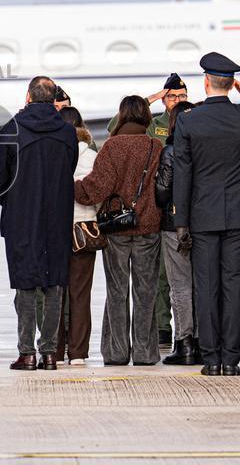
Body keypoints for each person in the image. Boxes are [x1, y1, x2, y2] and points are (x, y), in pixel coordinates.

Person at [172, 52, 240, 376]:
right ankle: (231, 359)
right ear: (232, 84)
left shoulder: (189, 120)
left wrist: (181, 223)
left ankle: (211, 359)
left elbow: (184, 173)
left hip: (202, 215)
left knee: (206, 288)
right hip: (238, 214)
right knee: (233, 286)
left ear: (205, 81)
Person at [0, 76, 78, 371]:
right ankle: (50, 353)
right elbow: (70, 170)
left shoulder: (11, 130)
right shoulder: (67, 133)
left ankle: (26, 353)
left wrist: (15, 204)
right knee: (54, 284)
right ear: (53, 100)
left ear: (28, 97)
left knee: (25, 285)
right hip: (57, 218)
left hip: (22, 220)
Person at [76, 96, 163, 366]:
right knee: (146, 291)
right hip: (149, 226)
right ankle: (145, 353)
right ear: (146, 116)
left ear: (122, 115)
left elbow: (96, 188)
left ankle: (116, 352)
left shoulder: (112, 147)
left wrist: (69, 185)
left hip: (116, 229)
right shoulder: (155, 146)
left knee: (117, 291)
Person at [108, 73, 187, 347]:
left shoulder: (189, 120)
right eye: (172, 96)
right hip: (154, 204)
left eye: (181, 96)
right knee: (161, 277)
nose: (177, 101)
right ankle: (162, 327)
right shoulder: (155, 124)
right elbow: (114, 127)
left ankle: (182, 331)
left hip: (173, 204)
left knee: (174, 277)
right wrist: (149, 100)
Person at [154, 100, 200, 365]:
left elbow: (162, 192)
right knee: (201, 284)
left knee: (179, 286)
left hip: (174, 225)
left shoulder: (170, 150)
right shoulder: (204, 149)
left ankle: (184, 342)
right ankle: (203, 340)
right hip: (203, 224)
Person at [55, 107, 98, 366]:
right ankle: (79, 353)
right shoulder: (92, 156)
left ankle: (56, 350)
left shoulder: (53, 154)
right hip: (85, 230)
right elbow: (99, 192)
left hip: (57, 230)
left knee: (55, 293)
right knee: (81, 294)